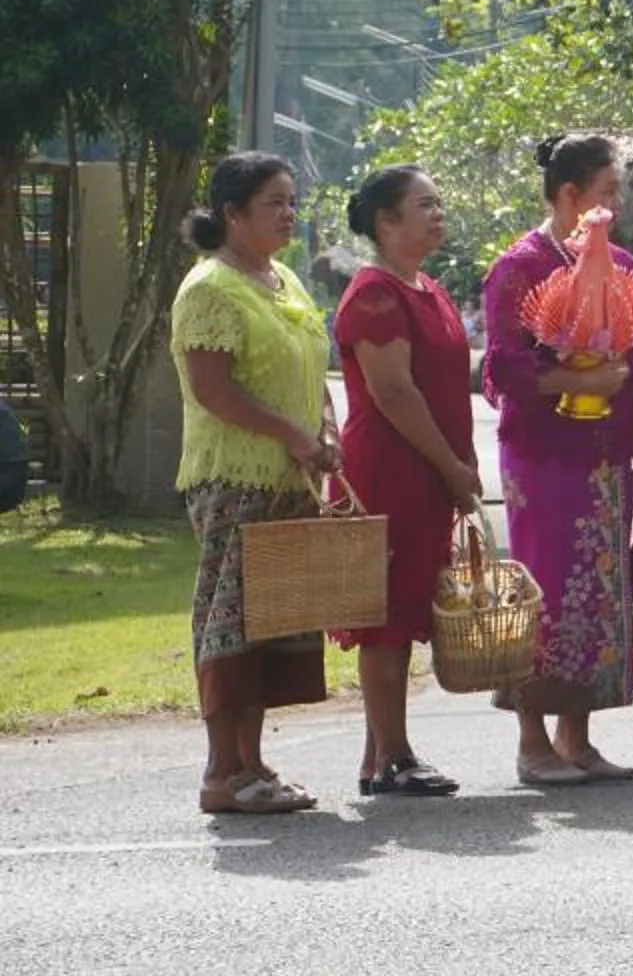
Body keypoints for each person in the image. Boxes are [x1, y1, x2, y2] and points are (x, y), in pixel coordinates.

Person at [480, 133, 633, 784]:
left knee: (598, 591)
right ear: (569, 195)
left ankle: (577, 736)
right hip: (543, 455)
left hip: (606, 456)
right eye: (606, 191)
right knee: (547, 588)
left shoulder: (625, 266)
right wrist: (576, 383)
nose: (615, 203)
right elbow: (505, 368)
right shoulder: (520, 265)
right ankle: (532, 742)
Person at [172, 152, 338, 816]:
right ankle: (222, 771)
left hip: (289, 478)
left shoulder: (284, 280)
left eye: (292, 201)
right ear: (232, 214)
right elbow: (213, 390)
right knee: (230, 622)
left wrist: (325, 429)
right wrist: (289, 433)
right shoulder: (210, 287)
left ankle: (253, 762)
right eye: (274, 202)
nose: (288, 213)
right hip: (233, 479)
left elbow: (308, 366)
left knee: (273, 621)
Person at [331, 165, 481, 797]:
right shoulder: (375, 294)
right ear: (387, 223)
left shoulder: (427, 288)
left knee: (407, 605)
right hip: (392, 469)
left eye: (439, 203)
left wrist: (452, 466)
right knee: (386, 615)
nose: (437, 214)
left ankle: (378, 756)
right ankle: (394, 756)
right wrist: (450, 465)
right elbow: (394, 391)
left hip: (427, 471)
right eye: (424, 205)